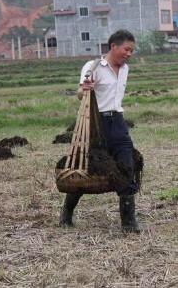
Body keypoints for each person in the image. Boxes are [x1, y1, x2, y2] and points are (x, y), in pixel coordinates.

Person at [60, 29, 140, 233]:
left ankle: (129, 224)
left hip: (118, 123)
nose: (129, 54)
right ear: (113, 46)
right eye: (126, 49)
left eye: (131, 51)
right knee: (85, 169)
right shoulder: (93, 66)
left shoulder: (125, 69)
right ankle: (66, 214)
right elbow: (80, 93)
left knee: (127, 166)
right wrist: (85, 89)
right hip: (96, 124)